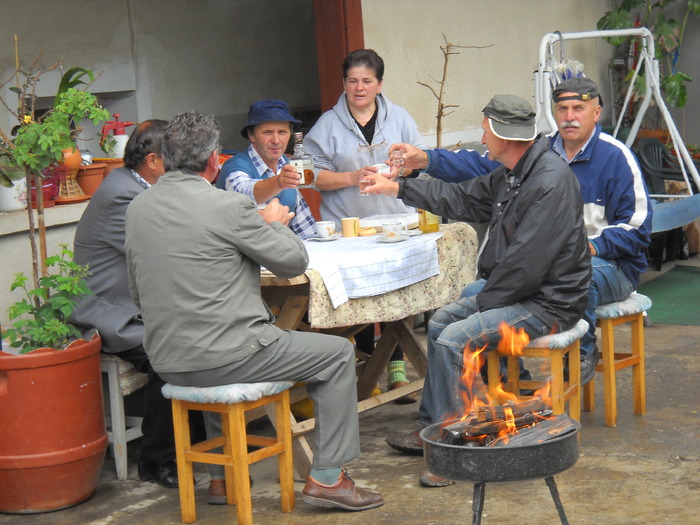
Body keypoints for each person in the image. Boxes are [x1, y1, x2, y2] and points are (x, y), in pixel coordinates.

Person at [124, 111, 384, 511]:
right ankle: (329, 477)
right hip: (227, 357)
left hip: (167, 360)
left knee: (214, 342)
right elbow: (293, 262)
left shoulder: (139, 207)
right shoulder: (228, 205)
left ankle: (222, 480)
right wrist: (274, 223)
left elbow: (138, 293)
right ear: (214, 160)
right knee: (336, 355)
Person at [365, 95, 591, 486]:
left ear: (504, 133)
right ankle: (435, 432)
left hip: (549, 302)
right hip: (525, 291)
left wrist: (478, 305)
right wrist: (398, 188)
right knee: (440, 322)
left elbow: (526, 266)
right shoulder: (513, 171)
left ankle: (458, 454)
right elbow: (461, 198)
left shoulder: (549, 181)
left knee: (454, 336)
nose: (482, 136)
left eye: (485, 128)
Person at [390, 77, 652, 386]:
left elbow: (639, 227)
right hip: (548, 268)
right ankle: (509, 384)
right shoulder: (533, 152)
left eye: (578, 108)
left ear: (597, 112)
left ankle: (581, 349)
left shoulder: (616, 156)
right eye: (562, 108)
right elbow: (477, 169)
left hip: (610, 264)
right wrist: (426, 160)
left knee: (582, 272)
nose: (569, 116)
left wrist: (588, 246)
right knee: (473, 294)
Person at [304, 48, 427, 396]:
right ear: (343, 83)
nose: (359, 88)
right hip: (349, 227)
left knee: (397, 294)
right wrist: (351, 177)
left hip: (395, 222)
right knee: (358, 298)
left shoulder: (399, 118)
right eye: (353, 81)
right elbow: (313, 176)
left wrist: (398, 168)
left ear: (379, 84)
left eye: (367, 81)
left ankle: (398, 366)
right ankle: (368, 368)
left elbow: (418, 162)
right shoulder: (327, 124)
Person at [70, 120, 181, 488]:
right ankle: (157, 460)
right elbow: (162, 251)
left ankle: (190, 440)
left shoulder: (137, 185)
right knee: (168, 355)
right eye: (174, 158)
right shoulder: (124, 195)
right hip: (107, 311)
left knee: (196, 336)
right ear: (153, 160)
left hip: (133, 304)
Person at [215, 99, 316, 238]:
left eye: (282, 132)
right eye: (267, 132)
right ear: (252, 135)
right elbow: (243, 194)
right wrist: (279, 182)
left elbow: (305, 227)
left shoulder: (285, 164)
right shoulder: (235, 166)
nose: (276, 140)